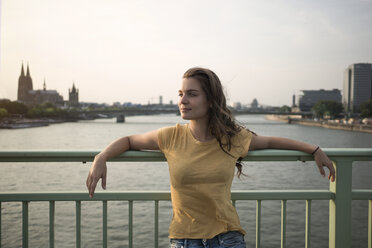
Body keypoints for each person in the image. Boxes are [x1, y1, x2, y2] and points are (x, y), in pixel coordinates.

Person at [86, 67, 335, 248]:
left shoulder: (233, 138)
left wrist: (314, 149)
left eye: (192, 94)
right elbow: (129, 140)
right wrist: (101, 157)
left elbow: (271, 141)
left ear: (211, 100)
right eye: (181, 93)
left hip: (227, 237)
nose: (182, 101)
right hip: (184, 239)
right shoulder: (171, 136)